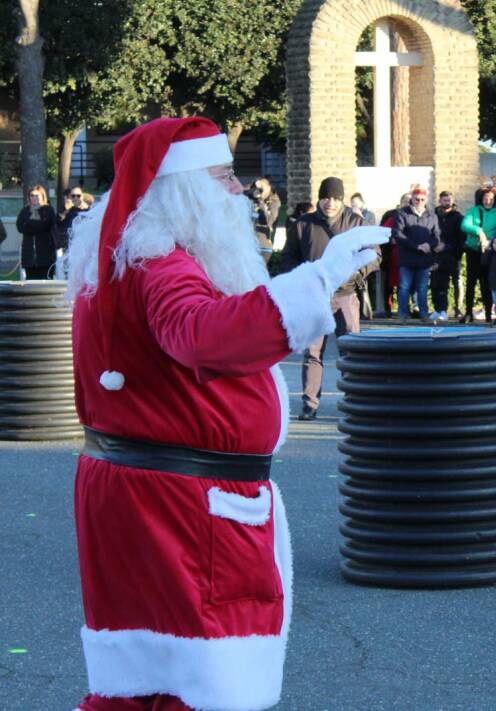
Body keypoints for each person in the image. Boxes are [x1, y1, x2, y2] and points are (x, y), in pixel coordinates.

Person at [63, 116, 387, 711]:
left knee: (145, 680)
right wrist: (320, 279)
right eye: (223, 176)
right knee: (203, 682)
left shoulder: (137, 258)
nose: (240, 190)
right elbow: (203, 335)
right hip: (182, 503)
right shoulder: (162, 265)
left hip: (149, 491)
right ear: (182, 190)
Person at [282, 176, 379, 420]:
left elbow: (375, 255)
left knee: (351, 351)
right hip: (315, 297)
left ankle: (354, 402)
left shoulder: (356, 222)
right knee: (313, 353)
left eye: (336, 198)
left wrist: (355, 272)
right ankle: (310, 403)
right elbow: (288, 258)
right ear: (319, 198)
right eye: (326, 197)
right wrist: (303, 278)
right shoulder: (303, 225)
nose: (330, 203)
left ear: (342, 199)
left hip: (345, 295)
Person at [393, 186, 440, 322]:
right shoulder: (402, 214)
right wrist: (416, 246)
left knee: (422, 288)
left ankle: (424, 314)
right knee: (404, 288)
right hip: (407, 258)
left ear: (426, 200)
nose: (419, 202)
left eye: (422, 199)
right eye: (416, 199)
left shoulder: (432, 216)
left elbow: (436, 236)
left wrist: (428, 245)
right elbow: (398, 234)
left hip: (424, 259)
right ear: (411, 199)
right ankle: (402, 315)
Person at [460, 185, 496, 323]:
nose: (488, 201)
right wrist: (479, 231)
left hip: (489, 251)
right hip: (474, 250)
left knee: (486, 283)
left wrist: (491, 240)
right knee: (471, 282)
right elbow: (465, 226)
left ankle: (489, 312)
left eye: (490, 199)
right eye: (485, 198)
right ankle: (468, 312)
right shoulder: (473, 211)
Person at [430, 190, 464, 320]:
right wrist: (435, 246)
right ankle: (437, 309)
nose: (447, 202)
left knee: (451, 283)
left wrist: (447, 246)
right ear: (440, 201)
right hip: (436, 254)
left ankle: (451, 309)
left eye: (449, 200)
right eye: (444, 200)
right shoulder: (433, 216)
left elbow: (460, 238)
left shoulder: (458, 217)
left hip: (452, 255)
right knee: (435, 283)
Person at [17, 184, 57, 279]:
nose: (34, 198)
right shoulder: (25, 210)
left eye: (37, 195)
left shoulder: (48, 210)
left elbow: (44, 225)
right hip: (29, 256)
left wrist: (28, 223)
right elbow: (20, 227)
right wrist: (35, 225)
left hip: (45, 256)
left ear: (42, 196)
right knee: (30, 284)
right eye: (32, 195)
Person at [248, 177, 281, 264]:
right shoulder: (252, 200)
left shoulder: (274, 202)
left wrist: (260, 201)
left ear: (270, 187)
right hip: (250, 244)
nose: (260, 191)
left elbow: (269, 221)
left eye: (262, 187)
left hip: (264, 246)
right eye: (258, 188)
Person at [55, 186, 91, 251]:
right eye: (73, 196)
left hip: (83, 244)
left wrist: (87, 208)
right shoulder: (67, 209)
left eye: (78, 196)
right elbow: (57, 222)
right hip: (68, 244)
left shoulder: (87, 209)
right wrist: (65, 210)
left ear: (82, 196)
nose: (75, 198)